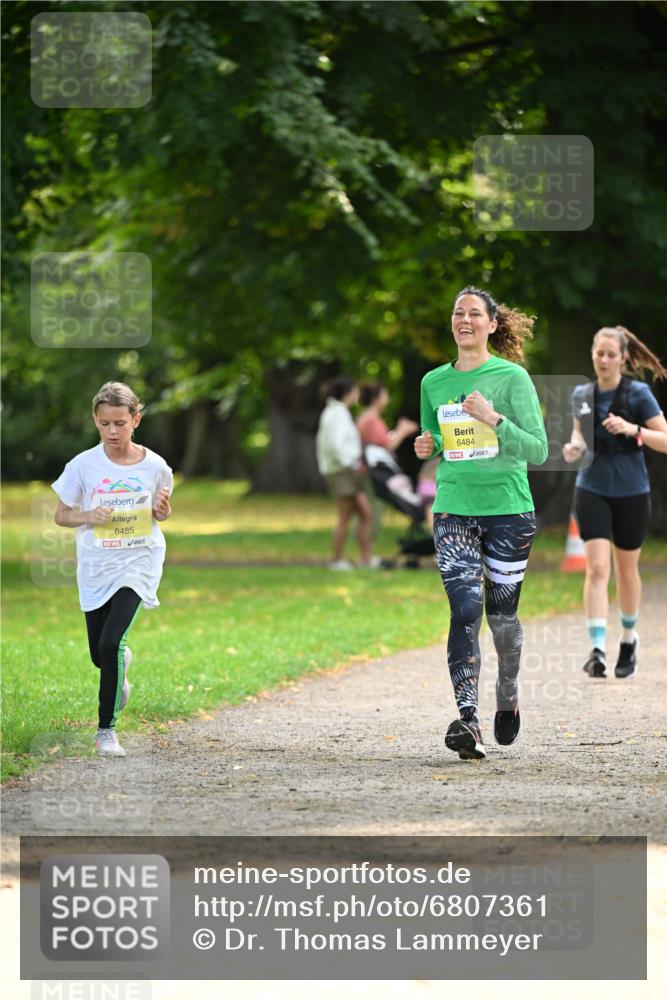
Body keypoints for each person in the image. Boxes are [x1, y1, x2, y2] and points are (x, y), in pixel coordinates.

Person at [415, 285, 548, 760]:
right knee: (466, 610)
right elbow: (436, 435)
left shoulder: (512, 378)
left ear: (492, 324)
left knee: (502, 619)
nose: (464, 320)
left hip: (509, 511)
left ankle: (507, 691)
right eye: (458, 312)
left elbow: (539, 449)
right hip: (454, 508)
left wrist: (494, 418)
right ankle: (468, 721)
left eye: (475, 313)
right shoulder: (433, 381)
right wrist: (428, 444)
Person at [52, 382, 173, 758]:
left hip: (138, 560)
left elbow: (161, 512)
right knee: (99, 654)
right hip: (97, 564)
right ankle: (120, 668)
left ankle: (106, 732)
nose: (112, 431)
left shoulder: (156, 466)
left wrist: (162, 511)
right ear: (95, 420)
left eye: (120, 423)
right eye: (105, 424)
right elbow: (61, 515)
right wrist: (90, 515)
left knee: (110, 643)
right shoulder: (82, 465)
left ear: (136, 420)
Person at [562, 326, 667, 679]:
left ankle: (628, 638)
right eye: (599, 353)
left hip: (632, 491)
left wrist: (633, 429)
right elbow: (579, 433)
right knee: (596, 568)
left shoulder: (638, 394)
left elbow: (665, 439)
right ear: (592, 354)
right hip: (591, 488)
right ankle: (596, 649)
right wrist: (574, 446)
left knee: (625, 571)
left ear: (623, 358)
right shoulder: (582, 393)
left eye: (611, 355)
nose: (604, 360)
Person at [316, 376, 376, 569]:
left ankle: (366, 559)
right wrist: (352, 463)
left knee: (365, 514)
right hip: (341, 471)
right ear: (348, 392)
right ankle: (337, 560)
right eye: (355, 391)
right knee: (346, 516)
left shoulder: (339, 412)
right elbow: (336, 445)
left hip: (346, 470)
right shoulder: (336, 414)